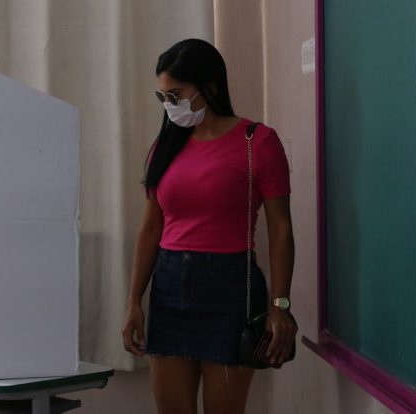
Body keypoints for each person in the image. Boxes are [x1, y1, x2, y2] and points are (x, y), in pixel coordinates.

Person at [121, 38, 297, 414]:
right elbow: (150, 228)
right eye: (163, 96)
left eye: (176, 95)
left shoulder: (258, 142)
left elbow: (281, 229)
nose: (170, 105)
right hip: (169, 289)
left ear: (211, 88)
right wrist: (134, 301)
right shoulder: (165, 147)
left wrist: (280, 305)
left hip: (230, 290)